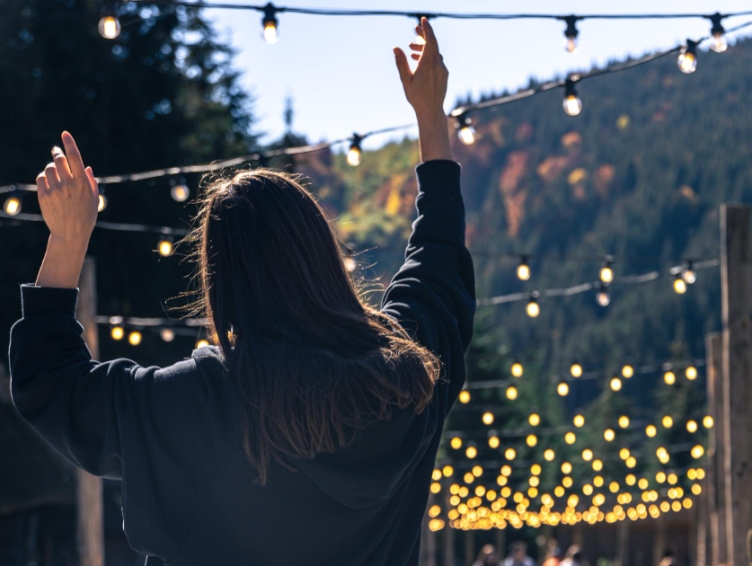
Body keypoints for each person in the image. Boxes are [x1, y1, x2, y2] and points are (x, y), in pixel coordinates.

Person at [8, 17, 475, 566]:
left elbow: (51, 386)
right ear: (321, 254)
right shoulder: (406, 379)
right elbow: (437, 262)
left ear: (222, 283)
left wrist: (67, 239)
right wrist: (429, 117)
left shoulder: (201, 401)